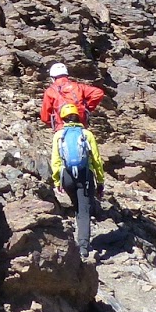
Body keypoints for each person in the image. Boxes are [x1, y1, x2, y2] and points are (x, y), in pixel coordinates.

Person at [50, 103, 106, 256]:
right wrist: (100, 181)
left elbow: (55, 161)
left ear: (63, 119)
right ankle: (83, 247)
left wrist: (57, 181)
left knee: (77, 206)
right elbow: (97, 160)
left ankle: (77, 239)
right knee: (84, 210)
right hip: (85, 176)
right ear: (79, 117)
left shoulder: (59, 135)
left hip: (67, 176)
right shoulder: (87, 134)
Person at [39, 62, 105, 130]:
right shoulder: (78, 86)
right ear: (66, 75)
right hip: (80, 124)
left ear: (53, 77)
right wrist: (87, 108)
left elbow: (45, 117)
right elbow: (98, 93)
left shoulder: (50, 91)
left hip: (61, 127)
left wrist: (54, 124)